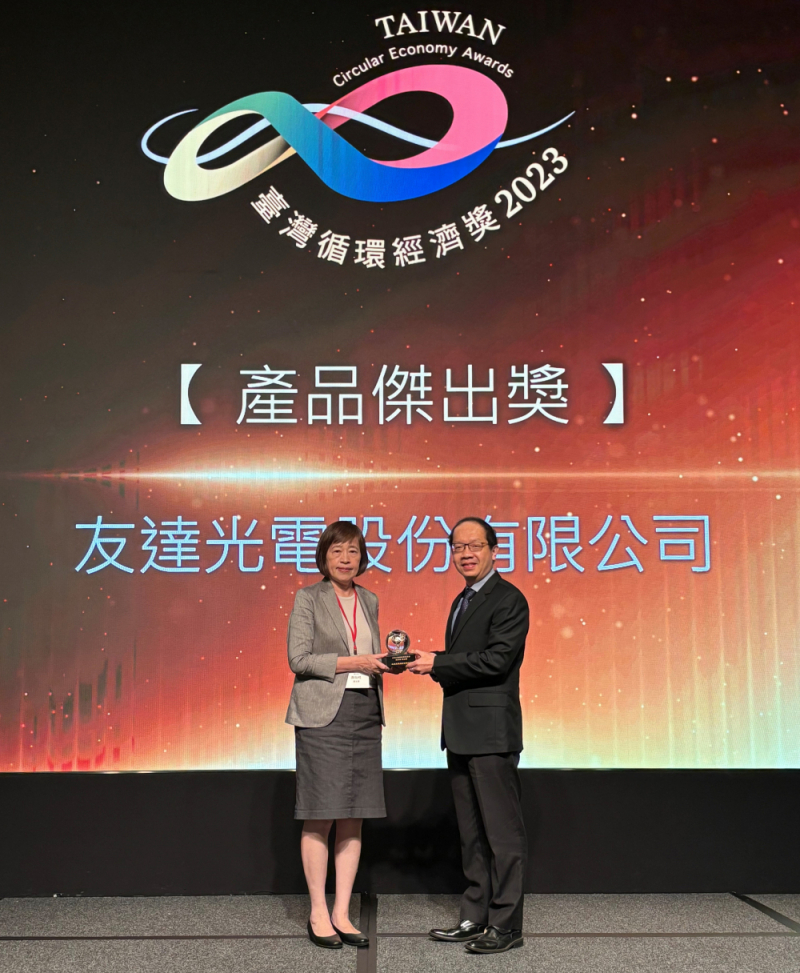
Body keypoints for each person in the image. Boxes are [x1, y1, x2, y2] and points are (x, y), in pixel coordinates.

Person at [408, 516, 529, 955]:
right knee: (472, 835)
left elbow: (496, 661)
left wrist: (438, 663)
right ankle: (474, 916)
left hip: (492, 734)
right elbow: (466, 659)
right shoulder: (462, 599)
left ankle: (507, 926)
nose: (466, 554)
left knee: (503, 835)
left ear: (494, 550)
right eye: (458, 547)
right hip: (461, 732)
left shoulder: (509, 599)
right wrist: (430, 661)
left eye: (475, 545)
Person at [286, 521, 391, 950]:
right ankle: (317, 910)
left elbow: (372, 655)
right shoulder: (308, 598)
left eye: (353, 551)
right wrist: (355, 662)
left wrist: (386, 663)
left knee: (354, 815)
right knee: (321, 813)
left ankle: (342, 912)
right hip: (322, 716)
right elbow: (299, 659)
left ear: (362, 558)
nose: (346, 559)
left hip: (364, 713)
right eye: (337, 551)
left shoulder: (370, 599)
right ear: (324, 557)